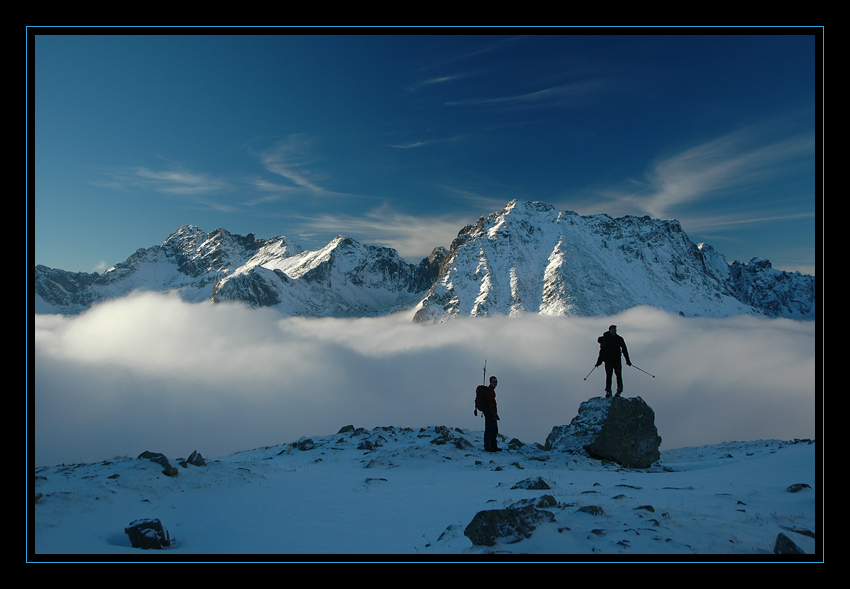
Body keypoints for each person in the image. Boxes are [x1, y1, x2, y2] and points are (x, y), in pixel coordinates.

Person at [595, 325, 631, 397]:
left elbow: (624, 350)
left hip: (615, 359)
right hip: (610, 360)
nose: (614, 331)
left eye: (615, 330)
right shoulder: (611, 339)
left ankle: (616, 390)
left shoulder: (617, 339)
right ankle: (610, 391)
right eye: (613, 329)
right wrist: (599, 362)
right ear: (610, 330)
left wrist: (628, 360)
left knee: (617, 375)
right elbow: (602, 351)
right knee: (610, 375)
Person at [481, 375, 501, 452]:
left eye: (496, 382)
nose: (495, 383)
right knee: (489, 430)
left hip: (492, 413)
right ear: (490, 382)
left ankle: (493, 446)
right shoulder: (488, 391)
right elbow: (489, 403)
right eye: (494, 382)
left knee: (494, 430)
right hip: (489, 413)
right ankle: (488, 447)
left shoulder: (491, 391)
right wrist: (492, 413)